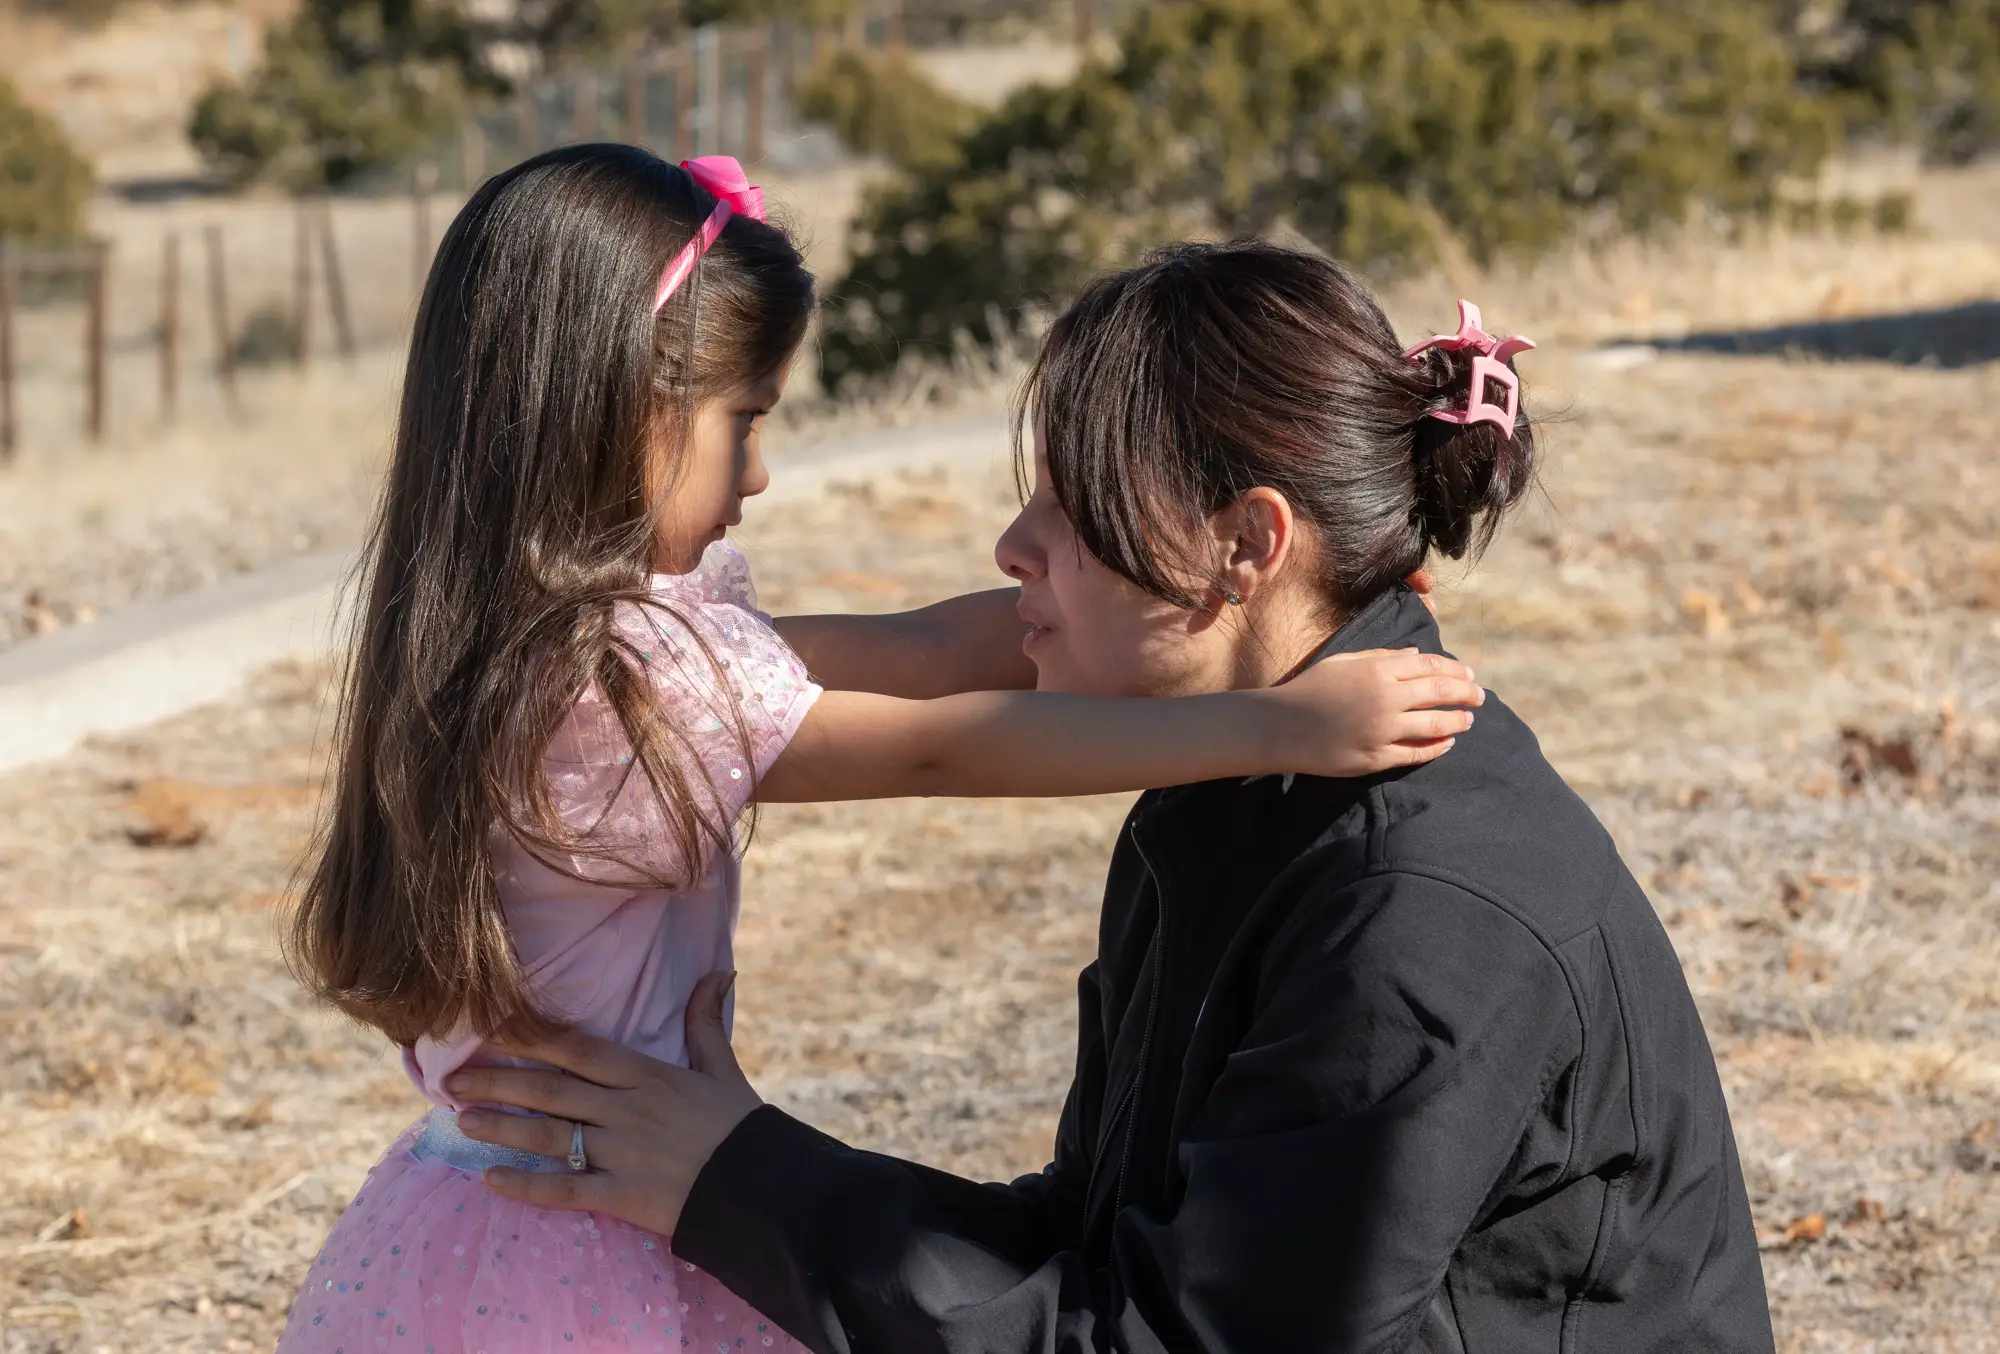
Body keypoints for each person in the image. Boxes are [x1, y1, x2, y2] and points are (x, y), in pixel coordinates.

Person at [447, 241, 1776, 1353]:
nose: (1011, 547)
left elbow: (1160, 1338)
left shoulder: (1416, 912)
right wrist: (751, 1167)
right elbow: (1108, 1245)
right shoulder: (1236, 795)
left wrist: (744, 1185)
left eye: (1074, 507)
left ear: (1246, 545)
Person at [274, 154, 1486, 1354]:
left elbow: (912, 648)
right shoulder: (619, 681)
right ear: (614, 411)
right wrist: (1272, 724)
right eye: (741, 420)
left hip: (482, 1203)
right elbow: (931, 748)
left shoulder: (522, 646)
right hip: (587, 1229)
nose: (757, 471)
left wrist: (1149, 592)